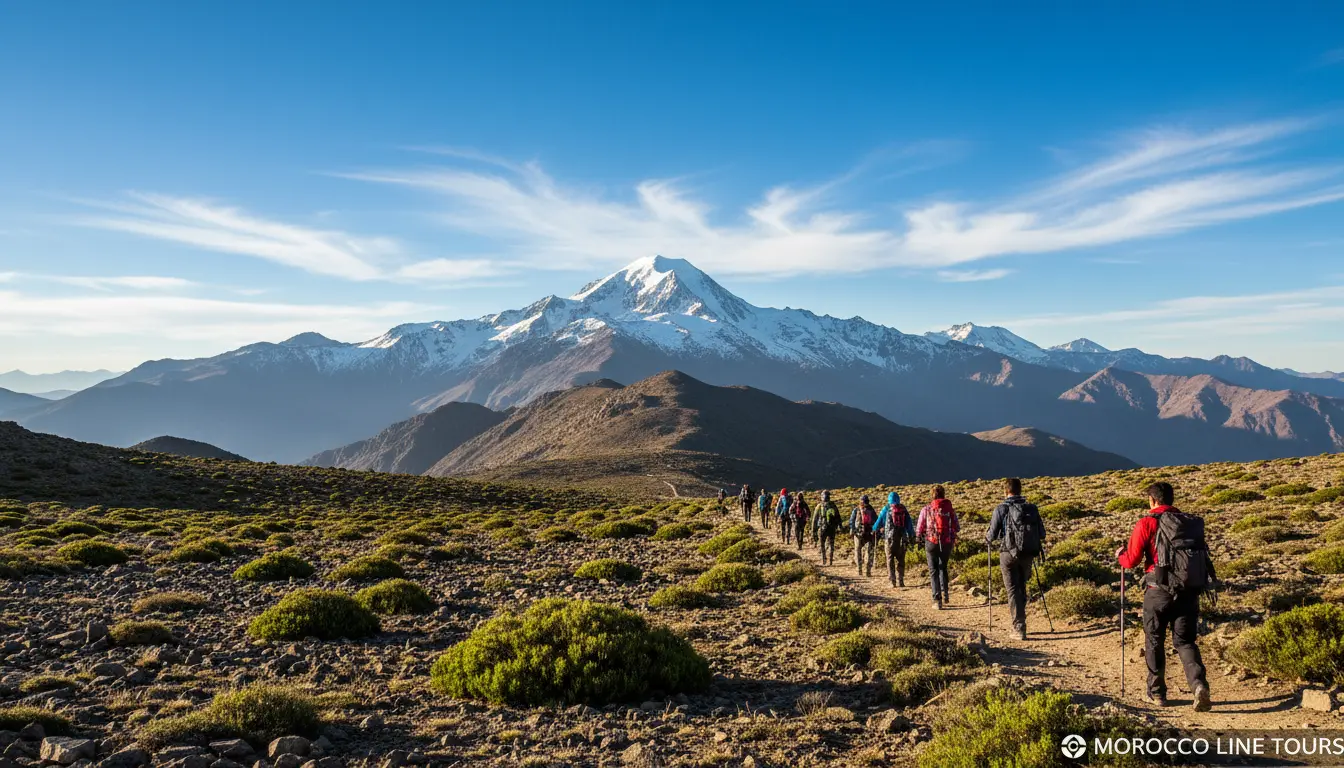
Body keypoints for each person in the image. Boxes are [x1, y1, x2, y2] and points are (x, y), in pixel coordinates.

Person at [1116, 482, 1213, 712]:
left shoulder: (1147, 523)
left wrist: (1121, 556)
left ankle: (1157, 693)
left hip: (1158, 591)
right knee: (1185, 641)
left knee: (1154, 639)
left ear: (1152, 500)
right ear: (1171, 499)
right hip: (1188, 591)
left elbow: (1131, 561)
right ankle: (1199, 685)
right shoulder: (1188, 524)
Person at [986, 478, 1045, 639]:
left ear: (1006, 491)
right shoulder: (1031, 508)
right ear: (1020, 490)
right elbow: (1042, 533)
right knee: (1021, 586)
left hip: (1008, 553)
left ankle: (1019, 627)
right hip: (1028, 553)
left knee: (1012, 589)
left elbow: (991, 536)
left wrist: (989, 537)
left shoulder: (1001, 509)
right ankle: (1021, 619)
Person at [917, 485, 959, 610]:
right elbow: (957, 526)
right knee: (943, 567)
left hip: (931, 542)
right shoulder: (949, 509)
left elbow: (919, 527)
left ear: (932, 495)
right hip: (946, 542)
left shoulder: (926, 509)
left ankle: (937, 600)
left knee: (933, 570)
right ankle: (945, 594)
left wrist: (919, 537)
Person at [874, 491, 915, 587]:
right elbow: (909, 525)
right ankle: (901, 580)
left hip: (889, 539)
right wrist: (911, 536)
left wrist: (875, 529)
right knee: (901, 560)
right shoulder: (903, 509)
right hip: (902, 539)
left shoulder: (886, 509)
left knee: (889, 559)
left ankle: (892, 581)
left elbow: (878, 522)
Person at [849, 494, 879, 577]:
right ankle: (868, 571)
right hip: (869, 534)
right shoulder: (871, 510)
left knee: (857, 551)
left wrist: (853, 530)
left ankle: (859, 570)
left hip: (858, 534)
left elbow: (851, 521)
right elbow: (876, 521)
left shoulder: (856, 509)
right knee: (869, 552)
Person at [815, 491, 842, 565]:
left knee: (822, 544)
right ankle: (830, 560)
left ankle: (823, 559)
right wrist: (840, 526)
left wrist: (813, 530)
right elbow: (838, 516)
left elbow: (815, 519)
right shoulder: (833, 505)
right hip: (832, 528)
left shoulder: (819, 506)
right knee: (831, 544)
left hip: (822, 527)